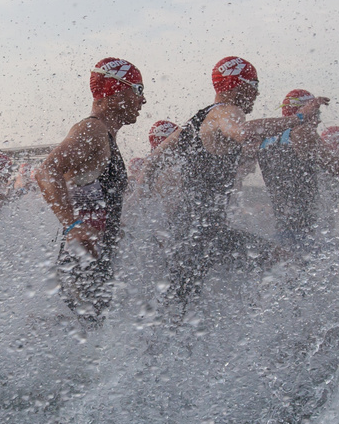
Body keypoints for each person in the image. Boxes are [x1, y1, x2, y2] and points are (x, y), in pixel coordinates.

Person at [166, 57, 304, 304]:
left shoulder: (196, 120)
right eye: (255, 84)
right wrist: (298, 119)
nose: (257, 93)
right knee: (285, 261)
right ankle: (284, 328)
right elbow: (244, 132)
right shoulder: (228, 111)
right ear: (238, 84)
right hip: (206, 232)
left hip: (185, 230)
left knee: (181, 306)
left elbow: (154, 162)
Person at [34, 58, 146, 323]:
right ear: (116, 90)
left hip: (92, 262)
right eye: (138, 90)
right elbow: (46, 171)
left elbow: (96, 201)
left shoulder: (105, 135)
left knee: (89, 341)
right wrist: (72, 225)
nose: (143, 101)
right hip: (83, 265)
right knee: (90, 338)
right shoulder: (93, 129)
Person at [257, 89, 334, 255]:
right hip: (304, 235)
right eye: (316, 112)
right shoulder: (304, 133)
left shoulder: (265, 139)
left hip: (283, 232)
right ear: (305, 111)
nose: (319, 120)